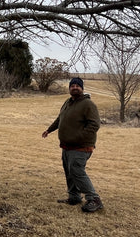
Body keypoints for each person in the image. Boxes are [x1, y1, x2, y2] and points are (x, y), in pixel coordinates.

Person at [41, 77, 104, 213]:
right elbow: (60, 119)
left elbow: (94, 125)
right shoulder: (68, 102)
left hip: (81, 146)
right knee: (69, 172)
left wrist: (78, 137)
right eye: (72, 85)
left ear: (82, 88)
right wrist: (49, 130)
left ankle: (94, 199)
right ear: (69, 88)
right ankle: (74, 196)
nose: (74, 87)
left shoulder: (88, 104)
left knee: (77, 171)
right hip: (67, 145)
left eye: (77, 86)